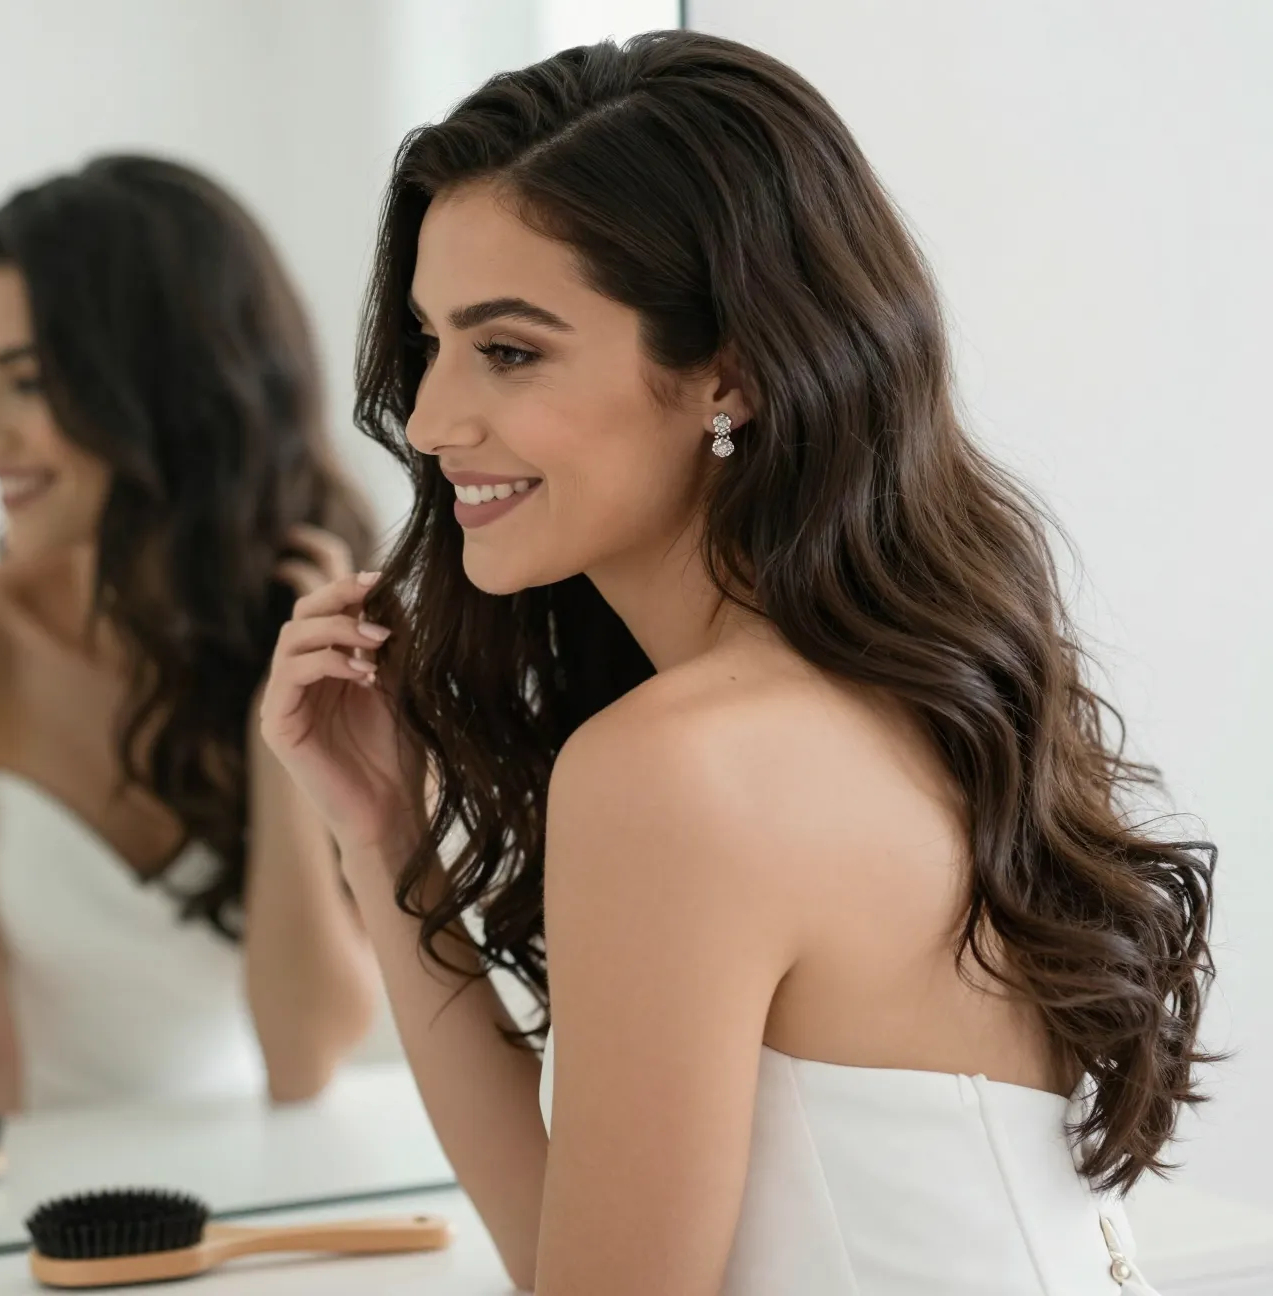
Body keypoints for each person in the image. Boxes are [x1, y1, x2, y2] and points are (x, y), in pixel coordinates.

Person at [260, 31, 1213, 1294]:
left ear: (733, 373)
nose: (431, 422)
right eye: (432, 342)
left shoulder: (679, 770)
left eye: (510, 350)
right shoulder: (902, 693)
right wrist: (385, 839)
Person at [0, 156, 379, 1144]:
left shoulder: (331, 637)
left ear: (166, 387)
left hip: (198, 1162)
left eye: (27, 383)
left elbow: (303, 1054)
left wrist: (283, 726)